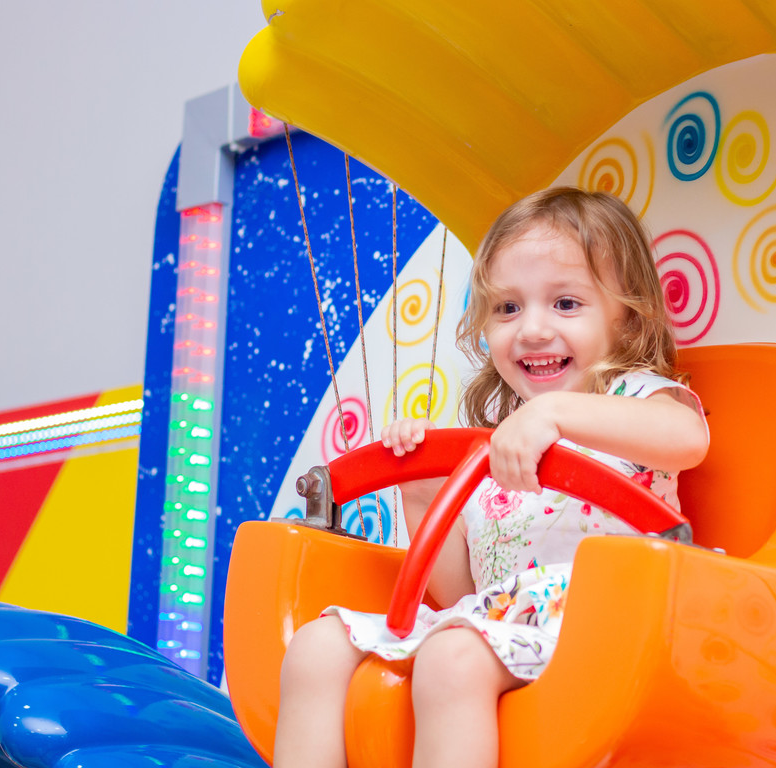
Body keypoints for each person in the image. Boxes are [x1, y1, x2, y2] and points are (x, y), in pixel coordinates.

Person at [274, 186, 710, 768]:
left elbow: (688, 440)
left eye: (565, 304)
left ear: (625, 319)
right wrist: (421, 490)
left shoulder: (637, 399)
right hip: (498, 620)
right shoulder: (497, 439)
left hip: (606, 624)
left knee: (452, 659)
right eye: (507, 308)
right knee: (314, 648)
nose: (530, 329)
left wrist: (552, 415)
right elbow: (462, 593)